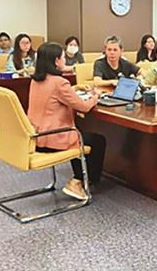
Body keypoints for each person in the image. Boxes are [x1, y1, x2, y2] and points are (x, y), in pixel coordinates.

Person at [28, 43, 106, 200]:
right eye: (63, 57)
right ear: (56, 61)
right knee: (97, 140)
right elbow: (84, 107)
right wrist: (96, 96)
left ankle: (80, 179)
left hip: (36, 138)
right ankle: (79, 181)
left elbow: (54, 96)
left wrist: (74, 89)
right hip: (53, 139)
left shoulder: (36, 80)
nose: (65, 60)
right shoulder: (59, 82)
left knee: (79, 135)